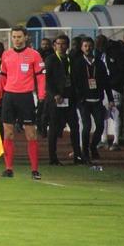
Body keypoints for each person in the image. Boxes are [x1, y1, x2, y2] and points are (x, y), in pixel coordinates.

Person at [0, 26, 46, 179]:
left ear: (25, 37)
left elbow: (41, 78)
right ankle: (9, 169)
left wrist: (41, 96)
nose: (16, 40)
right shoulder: (6, 55)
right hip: (9, 97)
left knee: (31, 134)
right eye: (14, 37)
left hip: (26, 97)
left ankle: (34, 170)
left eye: (19, 37)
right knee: (8, 133)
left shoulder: (34, 55)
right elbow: (2, 78)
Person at [71, 37, 114, 163]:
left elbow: (106, 82)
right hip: (84, 101)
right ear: (81, 47)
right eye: (85, 46)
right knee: (87, 126)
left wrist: (110, 99)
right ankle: (85, 152)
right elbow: (75, 82)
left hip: (97, 100)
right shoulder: (78, 63)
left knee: (100, 125)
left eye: (90, 46)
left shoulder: (99, 63)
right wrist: (79, 98)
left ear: (93, 47)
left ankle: (93, 146)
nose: (88, 48)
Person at [44, 34, 83, 165]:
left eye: (63, 44)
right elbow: (47, 80)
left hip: (70, 98)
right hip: (56, 100)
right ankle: (53, 158)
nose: (61, 46)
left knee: (75, 127)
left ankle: (77, 155)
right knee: (54, 129)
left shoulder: (71, 59)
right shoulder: (51, 59)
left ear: (67, 46)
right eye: (58, 44)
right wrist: (55, 94)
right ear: (54, 45)